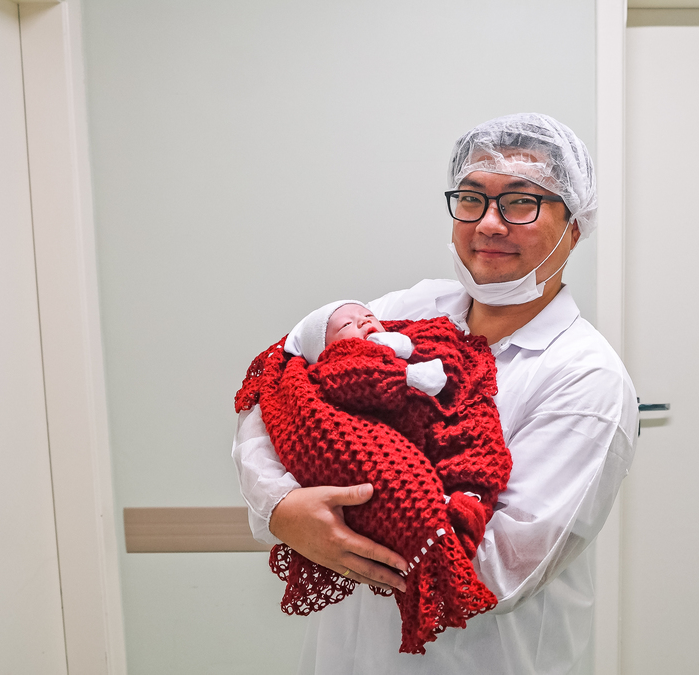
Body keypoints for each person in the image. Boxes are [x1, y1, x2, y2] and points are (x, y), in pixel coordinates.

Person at [233, 112, 638, 674]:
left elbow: (495, 571)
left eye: (520, 202)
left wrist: (333, 522)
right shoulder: (406, 309)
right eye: (471, 199)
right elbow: (277, 381)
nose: (489, 224)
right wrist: (280, 506)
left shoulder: (587, 379)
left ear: (574, 225)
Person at [234, 300, 511, 653]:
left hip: (487, 651)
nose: (365, 320)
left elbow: (511, 570)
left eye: (367, 316)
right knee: (392, 470)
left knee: (473, 445)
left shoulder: (579, 371)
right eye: (347, 324)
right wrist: (281, 507)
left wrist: (408, 353)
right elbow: (262, 428)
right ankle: (433, 519)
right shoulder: (390, 315)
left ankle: (455, 509)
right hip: (353, 637)